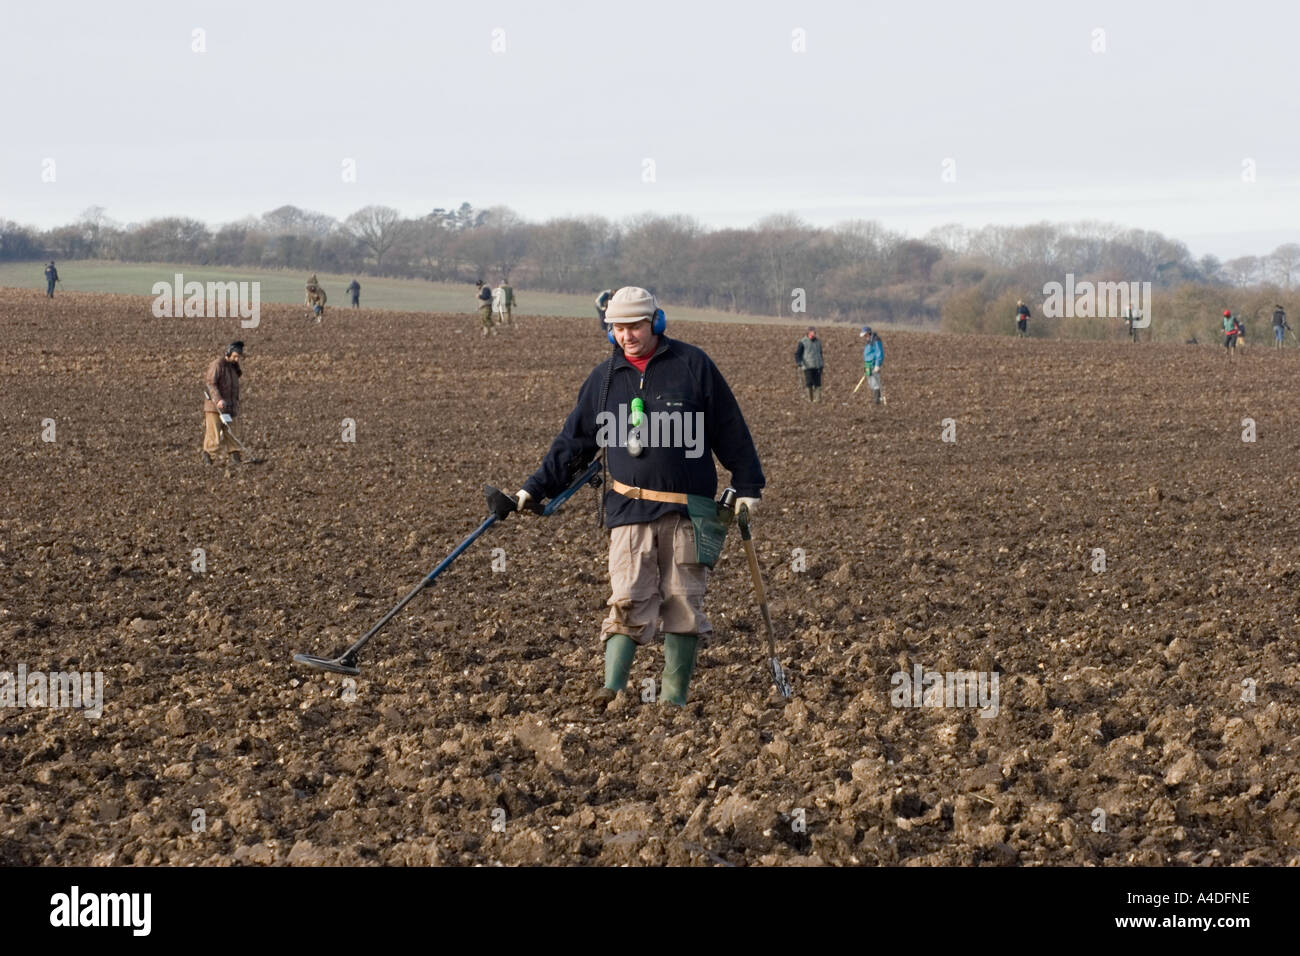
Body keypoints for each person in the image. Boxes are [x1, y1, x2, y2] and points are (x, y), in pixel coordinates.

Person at [513, 287, 765, 709]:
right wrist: (533, 487)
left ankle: (673, 701)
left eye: (634, 326)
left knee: (684, 602)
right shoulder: (604, 379)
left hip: (691, 510)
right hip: (629, 510)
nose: (627, 335)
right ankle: (610, 692)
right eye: (618, 328)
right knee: (627, 597)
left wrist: (748, 485)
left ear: (656, 323)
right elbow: (574, 442)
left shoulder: (693, 365)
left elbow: (730, 428)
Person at [202, 342, 245, 465]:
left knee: (233, 432)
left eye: (239, 357)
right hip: (215, 407)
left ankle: (235, 457)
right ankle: (208, 457)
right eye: (235, 356)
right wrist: (218, 399)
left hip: (230, 407)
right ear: (229, 352)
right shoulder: (218, 364)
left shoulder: (234, 368)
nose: (237, 359)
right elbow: (211, 383)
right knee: (214, 434)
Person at [794, 327, 825, 402]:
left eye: (815, 332)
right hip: (808, 366)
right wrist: (799, 362)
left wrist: (822, 364)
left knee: (818, 383)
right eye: (813, 332)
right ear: (809, 332)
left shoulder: (818, 342)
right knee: (809, 383)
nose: (815, 333)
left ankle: (818, 400)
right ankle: (810, 400)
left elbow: (820, 353)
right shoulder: (803, 342)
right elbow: (797, 354)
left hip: (817, 365)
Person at [860, 326, 885, 404]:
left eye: (865, 335)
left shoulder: (876, 340)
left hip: (873, 364)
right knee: (870, 382)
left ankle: (877, 400)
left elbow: (879, 353)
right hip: (868, 364)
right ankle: (877, 399)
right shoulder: (869, 341)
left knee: (875, 382)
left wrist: (877, 365)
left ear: (868, 333)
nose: (864, 337)